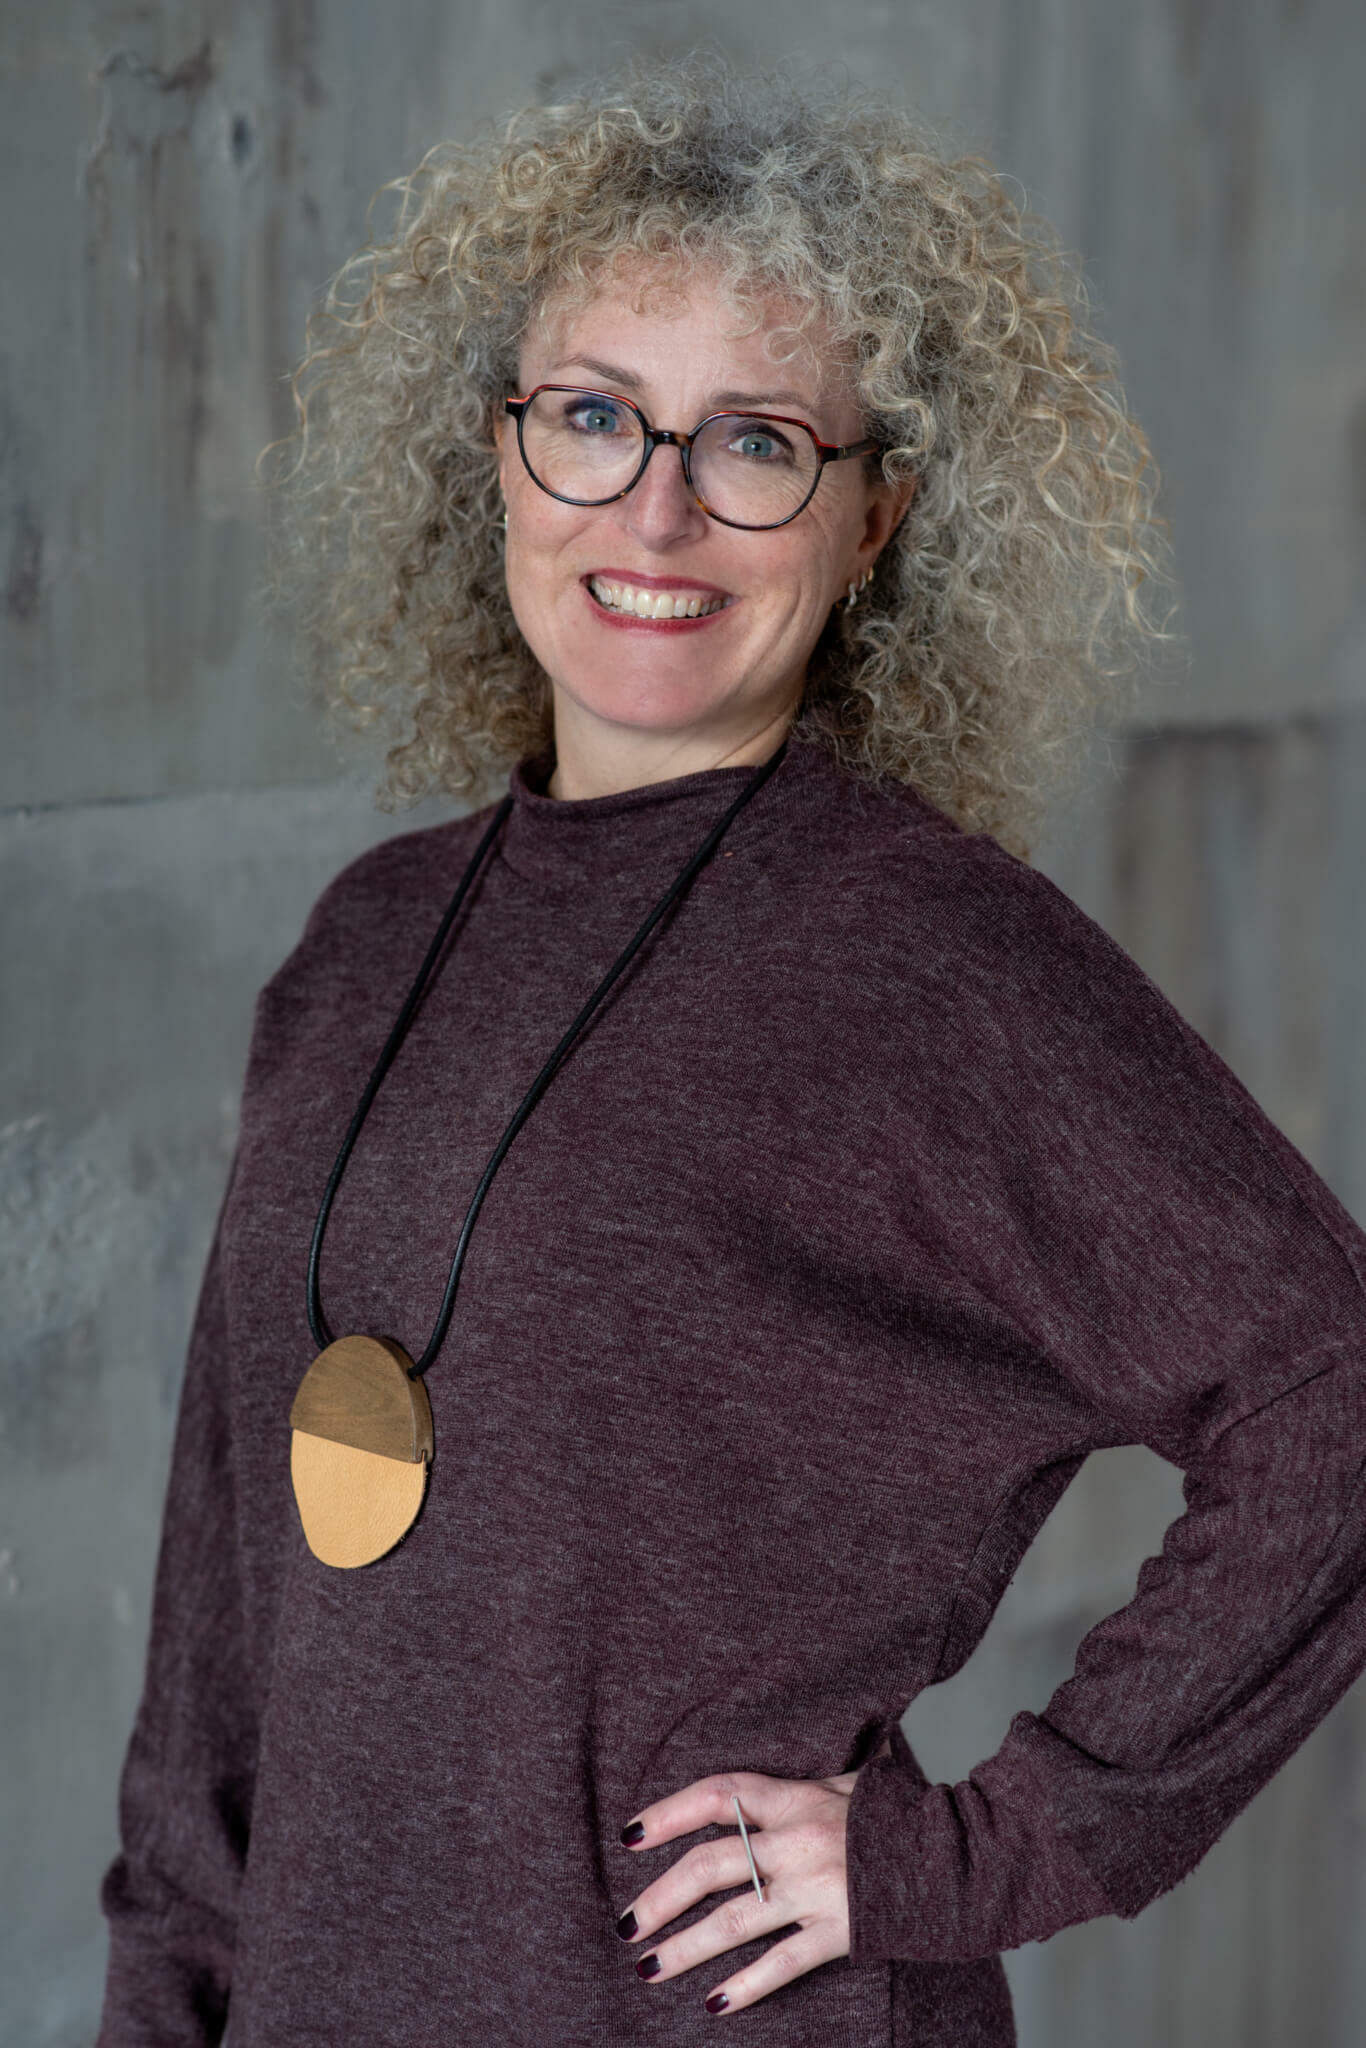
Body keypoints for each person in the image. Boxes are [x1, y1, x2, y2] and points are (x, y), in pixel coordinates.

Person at [96, 56, 1366, 2048]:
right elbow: (219, 1657)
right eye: (593, 417)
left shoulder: (933, 964)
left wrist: (985, 1849)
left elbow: (1329, 1384)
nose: (656, 509)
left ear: (872, 522)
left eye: (755, 442)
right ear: (501, 456)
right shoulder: (362, 946)